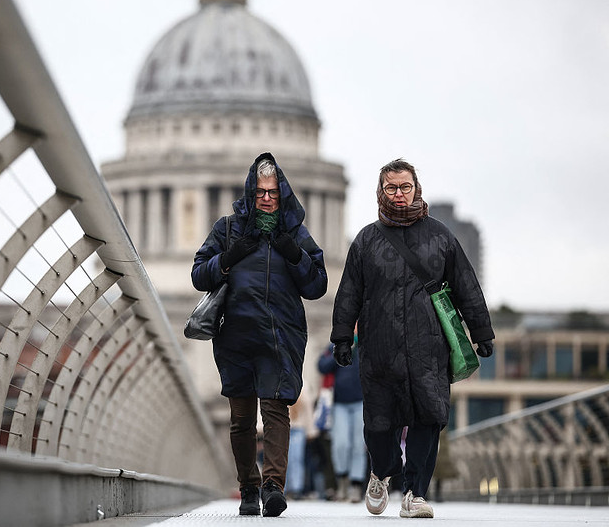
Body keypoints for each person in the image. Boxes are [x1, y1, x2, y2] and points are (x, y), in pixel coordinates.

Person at [329, 158, 494, 519]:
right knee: (378, 421)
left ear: (416, 188)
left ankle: (415, 494)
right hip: (379, 346)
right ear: (380, 191)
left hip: (428, 346)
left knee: (429, 417)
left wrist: (481, 331)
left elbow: (466, 284)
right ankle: (381, 472)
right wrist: (342, 337)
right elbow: (349, 292)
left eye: (405, 187)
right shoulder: (366, 240)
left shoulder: (440, 236)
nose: (399, 195)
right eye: (392, 188)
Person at [191, 152, 328, 517]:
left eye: (273, 192)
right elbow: (198, 274)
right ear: (250, 192)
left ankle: (272, 487)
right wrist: (228, 258)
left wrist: (294, 254)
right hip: (236, 334)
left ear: (282, 193)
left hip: (280, 335)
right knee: (241, 419)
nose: (267, 198)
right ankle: (248, 488)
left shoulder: (294, 233)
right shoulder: (227, 229)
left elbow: (317, 286)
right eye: (260, 192)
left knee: (276, 410)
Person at [318, 340, 367, 503]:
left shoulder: (366, 344)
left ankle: (356, 485)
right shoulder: (333, 345)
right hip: (339, 404)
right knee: (340, 444)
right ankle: (342, 480)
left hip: (361, 402)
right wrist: (339, 350)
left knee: (359, 445)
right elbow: (322, 366)